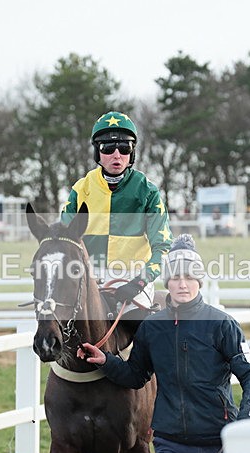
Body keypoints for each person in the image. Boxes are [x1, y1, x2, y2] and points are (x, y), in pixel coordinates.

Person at [78, 235, 250, 453]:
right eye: (176, 277)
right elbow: (136, 375)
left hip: (218, 442)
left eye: (189, 277)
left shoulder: (222, 325)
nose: (182, 284)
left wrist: (246, 420)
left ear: (199, 282)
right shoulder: (153, 327)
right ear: (167, 282)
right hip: (171, 445)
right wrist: (106, 361)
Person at [61, 111, 172, 325]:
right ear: (97, 152)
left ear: (132, 153)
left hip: (134, 278)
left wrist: (140, 281)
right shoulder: (80, 189)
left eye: (125, 148)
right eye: (108, 148)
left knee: (143, 334)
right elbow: (64, 242)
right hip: (89, 279)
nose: (117, 155)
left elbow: (163, 248)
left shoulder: (148, 191)